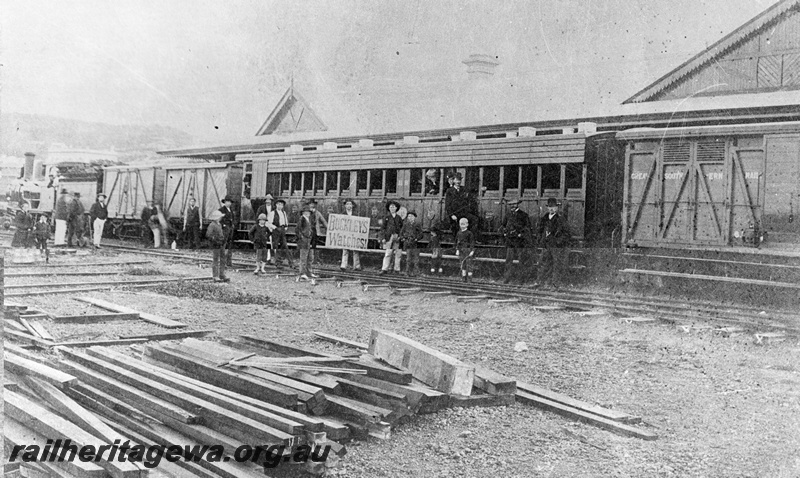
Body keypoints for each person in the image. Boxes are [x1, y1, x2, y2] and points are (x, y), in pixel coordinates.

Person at [536, 197, 571, 287]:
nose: (551, 209)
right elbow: (540, 230)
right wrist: (541, 240)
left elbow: (567, 233)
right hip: (546, 245)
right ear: (547, 207)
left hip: (556, 246)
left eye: (554, 207)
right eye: (550, 207)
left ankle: (555, 284)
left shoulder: (561, 219)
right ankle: (541, 283)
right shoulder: (544, 218)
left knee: (556, 265)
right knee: (543, 263)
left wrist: (558, 241)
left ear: (557, 208)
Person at [500, 199, 532, 284]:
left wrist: (521, 235)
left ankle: (520, 280)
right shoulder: (508, 214)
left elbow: (527, 228)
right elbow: (503, 225)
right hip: (510, 241)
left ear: (517, 204)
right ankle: (507, 279)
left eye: (514, 204)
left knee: (521, 260)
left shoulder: (524, 215)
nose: (512, 206)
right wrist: (505, 233)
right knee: (508, 260)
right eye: (510, 204)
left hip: (519, 242)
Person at [267, 199, 293, 269]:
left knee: (285, 246)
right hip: (276, 231)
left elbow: (286, 222)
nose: (280, 206)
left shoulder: (284, 213)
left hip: (282, 230)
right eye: (279, 204)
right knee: (276, 247)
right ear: (276, 205)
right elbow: (268, 223)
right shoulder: (272, 213)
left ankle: (291, 263)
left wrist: (285, 228)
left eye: (281, 205)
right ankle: (278, 263)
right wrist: (275, 228)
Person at [379, 200, 403, 275]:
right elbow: (382, 228)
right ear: (389, 208)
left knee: (398, 254)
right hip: (388, 237)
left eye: (393, 207)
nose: (392, 208)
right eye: (390, 207)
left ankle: (397, 270)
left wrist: (400, 236)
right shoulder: (386, 217)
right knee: (388, 253)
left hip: (397, 237)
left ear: (396, 208)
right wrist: (382, 238)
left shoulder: (399, 218)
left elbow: (402, 228)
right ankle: (384, 269)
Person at [206, 210, 229, 282]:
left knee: (223, 259)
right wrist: (215, 240)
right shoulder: (212, 225)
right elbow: (208, 235)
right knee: (215, 260)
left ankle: (222, 274)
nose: (221, 218)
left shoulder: (219, 224)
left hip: (221, 244)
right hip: (216, 244)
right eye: (219, 217)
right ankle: (215, 276)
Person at [340, 199, 362, 271]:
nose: (349, 206)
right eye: (347, 204)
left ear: (352, 205)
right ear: (345, 206)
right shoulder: (343, 214)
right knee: (345, 250)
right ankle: (343, 265)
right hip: (345, 234)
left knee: (355, 250)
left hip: (354, 234)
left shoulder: (356, 214)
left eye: (350, 204)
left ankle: (357, 266)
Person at [400, 210, 423, 276]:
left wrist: (416, 239)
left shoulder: (418, 224)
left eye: (411, 216)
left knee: (416, 259)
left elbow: (421, 234)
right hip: (407, 243)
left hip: (415, 244)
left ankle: (416, 273)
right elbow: (401, 233)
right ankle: (407, 272)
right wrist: (403, 238)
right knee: (408, 259)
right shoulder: (405, 224)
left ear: (414, 217)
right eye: (409, 216)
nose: (410, 217)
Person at [307, 200, 329, 266]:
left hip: (315, 231)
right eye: (310, 204)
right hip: (307, 231)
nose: (312, 205)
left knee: (314, 245)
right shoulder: (306, 212)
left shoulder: (317, 213)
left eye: (313, 204)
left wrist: (329, 229)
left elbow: (323, 221)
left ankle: (314, 260)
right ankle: (307, 259)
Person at [296, 204, 314, 281]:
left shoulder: (308, 219)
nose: (308, 213)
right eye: (306, 212)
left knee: (310, 257)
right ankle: (302, 273)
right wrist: (301, 237)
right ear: (303, 212)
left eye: (308, 212)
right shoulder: (302, 219)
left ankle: (309, 272)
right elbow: (297, 230)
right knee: (303, 258)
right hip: (304, 241)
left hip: (309, 240)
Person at [455, 217, 476, 282]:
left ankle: (470, 278)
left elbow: (472, 242)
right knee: (462, 264)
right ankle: (463, 277)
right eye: (461, 224)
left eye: (464, 224)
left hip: (468, 250)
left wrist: (472, 251)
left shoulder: (469, 233)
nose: (462, 226)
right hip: (461, 250)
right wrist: (457, 250)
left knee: (469, 264)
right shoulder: (458, 233)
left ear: (467, 224)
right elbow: (458, 242)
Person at [218, 195, 236, 267]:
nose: (229, 203)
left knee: (230, 245)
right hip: (225, 229)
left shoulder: (231, 210)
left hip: (230, 229)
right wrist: (224, 225)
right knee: (223, 245)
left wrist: (232, 225)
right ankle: (223, 262)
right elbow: (218, 220)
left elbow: (233, 219)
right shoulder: (221, 210)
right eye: (227, 201)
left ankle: (229, 261)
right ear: (224, 202)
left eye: (230, 202)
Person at [427, 209, 444, 274]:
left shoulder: (435, 238)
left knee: (436, 256)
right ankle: (437, 269)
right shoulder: (433, 237)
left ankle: (434, 269)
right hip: (434, 242)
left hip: (435, 243)